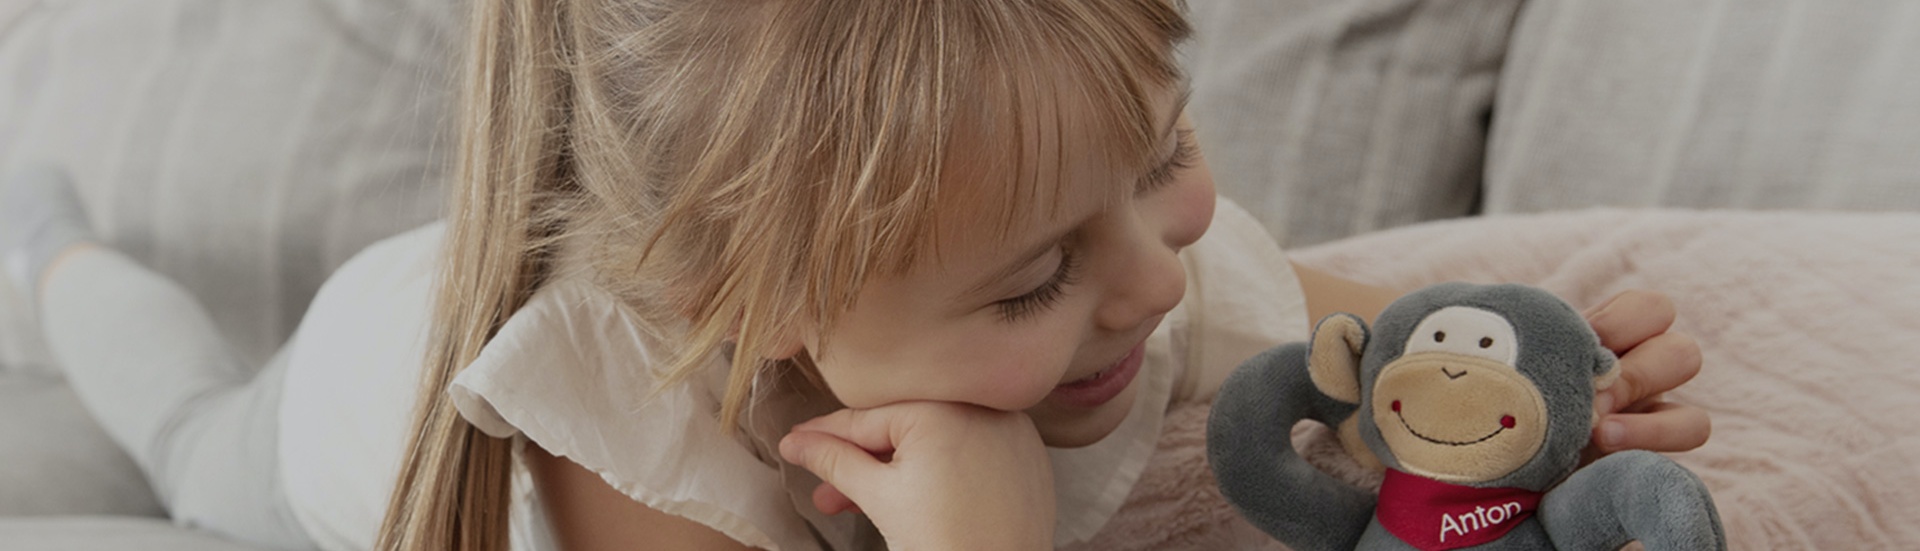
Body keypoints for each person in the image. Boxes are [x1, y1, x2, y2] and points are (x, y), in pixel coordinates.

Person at [0, 1, 1711, 550]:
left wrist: (1533, 393)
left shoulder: (1121, 249)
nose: (1153, 280)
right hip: (354, 377)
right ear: (758, 320)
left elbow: (1360, 343)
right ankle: (51, 238)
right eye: (1037, 276)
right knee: (186, 431)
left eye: (1167, 152)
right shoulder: (631, 462)